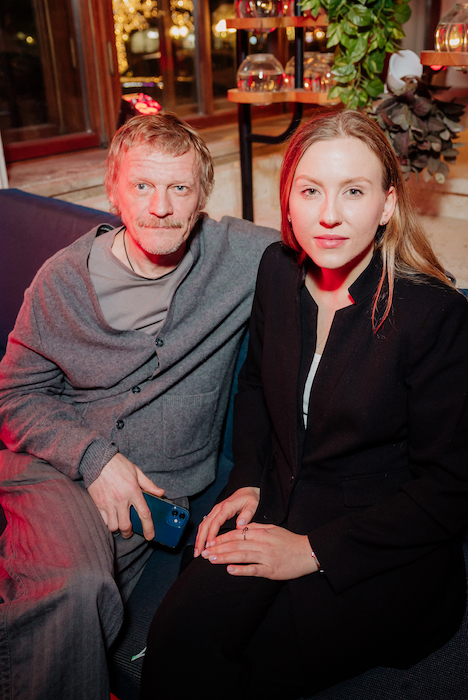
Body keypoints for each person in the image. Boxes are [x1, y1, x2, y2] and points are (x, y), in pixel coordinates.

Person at [140, 110, 468, 700]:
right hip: (279, 500)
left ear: (387, 205)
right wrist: (247, 479)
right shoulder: (276, 271)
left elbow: (450, 489)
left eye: (354, 191)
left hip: (375, 542)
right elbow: (254, 388)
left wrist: (311, 552)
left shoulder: (434, 314)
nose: (329, 214)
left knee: (249, 667)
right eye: (310, 190)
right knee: (179, 640)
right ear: (287, 202)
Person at [0, 112, 278, 700]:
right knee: (72, 587)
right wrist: (95, 459)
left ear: (202, 197)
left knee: (67, 603)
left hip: (152, 500)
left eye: (180, 187)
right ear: (113, 190)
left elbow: (331, 239)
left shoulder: (237, 256)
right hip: (54, 469)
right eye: (143, 185)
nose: (161, 207)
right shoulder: (62, 281)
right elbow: (14, 394)